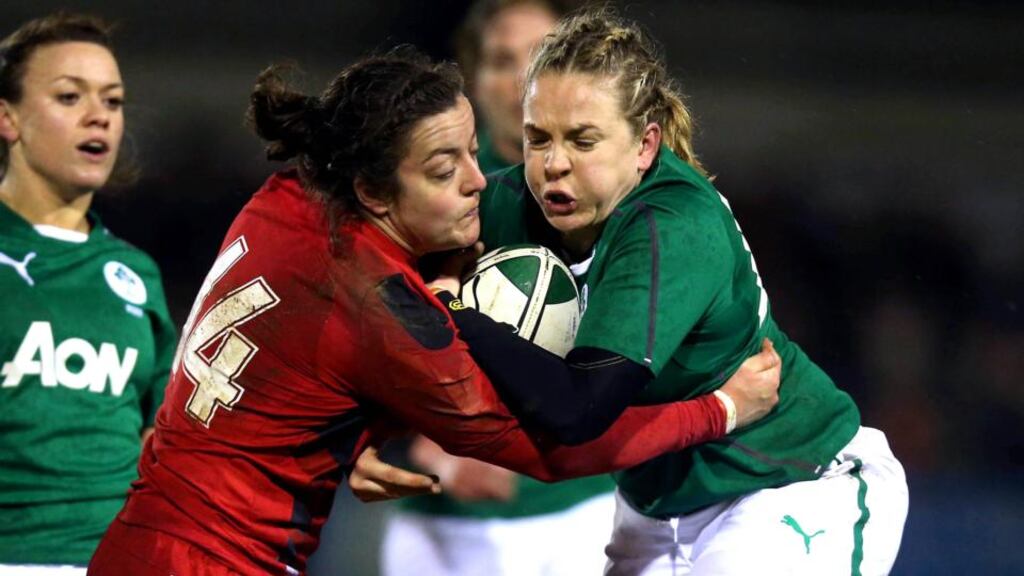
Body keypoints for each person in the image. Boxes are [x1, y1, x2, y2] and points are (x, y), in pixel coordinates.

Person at [87, 49, 780, 576]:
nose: (481, 180)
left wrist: (343, 439)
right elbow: (557, 445)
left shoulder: (285, 195)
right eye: (445, 170)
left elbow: (296, 358)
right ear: (375, 191)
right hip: (221, 560)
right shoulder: (384, 309)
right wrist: (716, 411)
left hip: (137, 540)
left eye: (471, 153)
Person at [415, 9, 909, 575]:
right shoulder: (514, 203)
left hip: (787, 484)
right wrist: (363, 438)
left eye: (583, 140)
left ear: (646, 145)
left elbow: (577, 410)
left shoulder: (670, 226)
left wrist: (451, 308)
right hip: (651, 512)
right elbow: (374, 276)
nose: (554, 164)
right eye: (538, 139)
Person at [380, 2, 620, 575]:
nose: (522, 82)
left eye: (543, 57)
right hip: (437, 527)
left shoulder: (630, 192)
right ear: (470, 79)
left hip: (583, 520)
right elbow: (358, 330)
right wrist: (416, 440)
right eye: (502, 60)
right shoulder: (418, 188)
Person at [0, 12, 177, 575]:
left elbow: (162, 429)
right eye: (69, 96)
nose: (98, 115)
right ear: (7, 118)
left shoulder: (134, 272)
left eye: (114, 100)